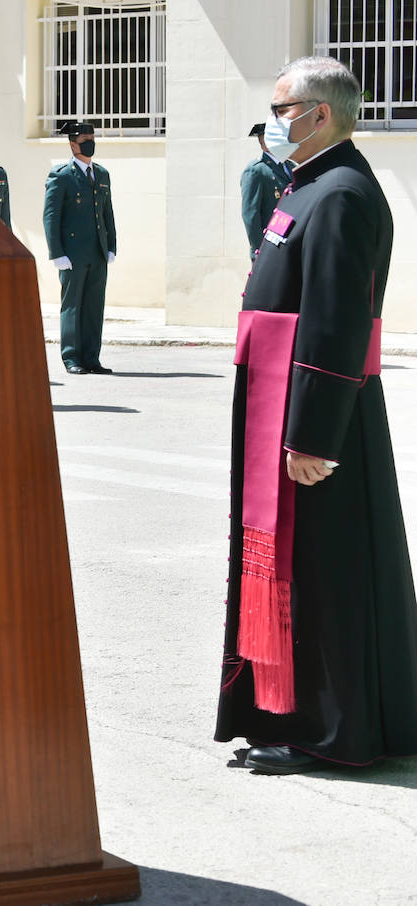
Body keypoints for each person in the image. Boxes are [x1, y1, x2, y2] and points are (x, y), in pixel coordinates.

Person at [215, 55, 417, 775]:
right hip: (281, 403)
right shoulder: (309, 186)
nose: (274, 123)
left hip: (311, 422)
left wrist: (311, 435)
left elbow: (334, 321)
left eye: (280, 110)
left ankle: (327, 733)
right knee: (302, 574)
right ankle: (292, 716)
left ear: (319, 113)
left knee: (325, 581)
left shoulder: (338, 195)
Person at [43, 120, 116, 375]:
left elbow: (107, 214)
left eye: (92, 138)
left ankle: (92, 357)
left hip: (97, 251)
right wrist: (57, 253)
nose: (90, 142)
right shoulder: (61, 175)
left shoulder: (102, 174)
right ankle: (72, 357)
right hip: (72, 254)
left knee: (94, 306)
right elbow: (51, 216)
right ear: (72, 144)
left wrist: (111, 246)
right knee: (73, 305)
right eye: (84, 139)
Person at [240, 121, 292, 260]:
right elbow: (250, 215)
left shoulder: (290, 166)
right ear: (263, 143)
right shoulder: (256, 170)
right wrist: (260, 249)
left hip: (291, 243)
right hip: (270, 247)